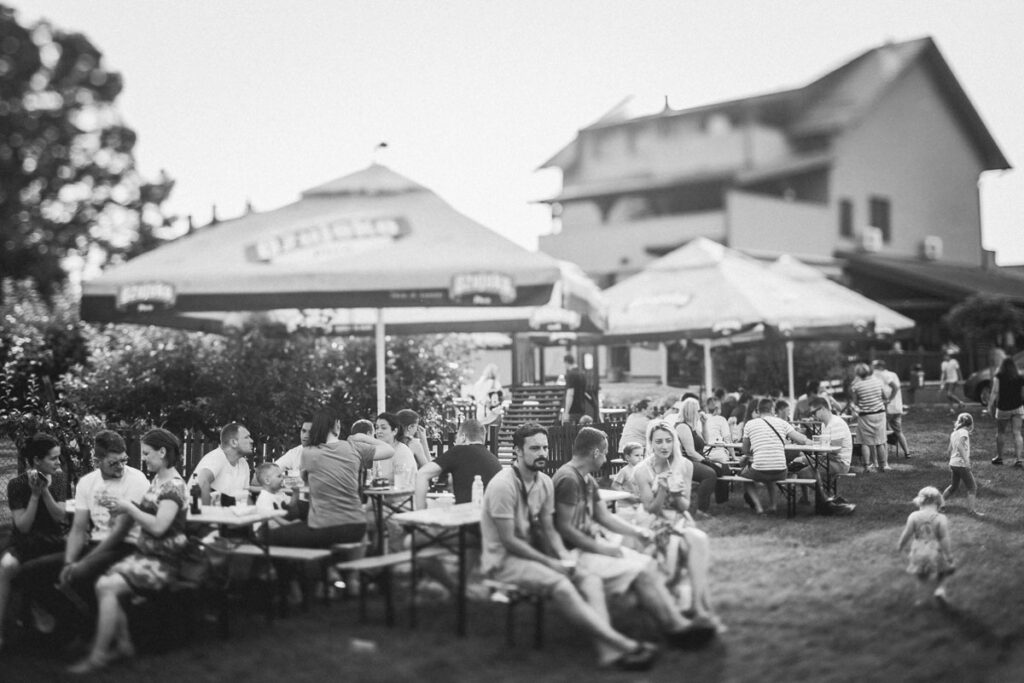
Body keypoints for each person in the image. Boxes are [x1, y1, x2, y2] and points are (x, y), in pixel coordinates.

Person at [479, 423, 659, 670]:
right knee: (561, 585)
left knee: (590, 579)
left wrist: (565, 557)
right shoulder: (503, 485)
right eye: (534, 448)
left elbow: (549, 529)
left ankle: (607, 653)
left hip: (533, 555)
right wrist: (551, 563)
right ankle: (623, 644)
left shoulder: (543, 482)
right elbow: (509, 541)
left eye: (545, 447)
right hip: (503, 561)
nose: (542, 453)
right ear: (518, 451)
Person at [552, 427, 714, 649]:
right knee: (644, 569)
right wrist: (604, 549)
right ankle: (677, 629)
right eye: (605, 453)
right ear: (596, 453)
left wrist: (638, 532)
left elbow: (604, 516)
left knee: (648, 564)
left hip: (593, 546)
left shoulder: (586, 478)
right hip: (577, 554)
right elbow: (566, 529)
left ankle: (677, 625)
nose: (606, 458)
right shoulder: (568, 479)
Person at [68, 428, 189, 673]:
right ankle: (123, 645)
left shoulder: (173, 487)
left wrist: (129, 508)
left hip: (163, 561)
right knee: (103, 585)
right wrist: (123, 508)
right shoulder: (159, 481)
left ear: (162, 452)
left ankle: (99, 656)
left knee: (107, 586)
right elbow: (147, 515)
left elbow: (159, 527)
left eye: (146, 453)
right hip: (147, 555)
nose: (143, 459)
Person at [26, 431, 151, 637]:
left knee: (80, 574)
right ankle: (77, 624)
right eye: (113, 463)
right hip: (96, 545)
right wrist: (69, 562)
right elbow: (78, 528)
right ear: (97, 461)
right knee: (33, 571)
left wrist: (81, 563)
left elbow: (120, 532)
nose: (121, 466)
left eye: (124, 460)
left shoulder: (137, 479)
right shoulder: (87, 482)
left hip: (127, 546)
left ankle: (89, 631)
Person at [632, 421, 721, 631]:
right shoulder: (641, 470)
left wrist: (675, 494)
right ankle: (695, 606)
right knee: (679, 545)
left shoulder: (685, 465)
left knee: (698, 539)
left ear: (674, 442)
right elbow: (651, 508)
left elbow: (684, 505)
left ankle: (698, 606)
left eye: (668, 440)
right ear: (651, 443)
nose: (664, 446)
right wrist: (663, 489)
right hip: (652, 521)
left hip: (678, 518)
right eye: (659, 442)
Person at [268, 409, 393, 548]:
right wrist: (363, 437)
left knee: (268, 535)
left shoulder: (309, 453)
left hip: (325, 527)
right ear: (337, 426)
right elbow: (389, 450)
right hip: (357, 526)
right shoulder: (354, 447)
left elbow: (304, 484)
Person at [0, 434, 67, 651]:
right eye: (53, 458)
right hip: (26, 540)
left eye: (58, 457)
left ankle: (47, 616)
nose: (58, 462)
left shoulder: (58, 479)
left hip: (53, 539)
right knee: (6, 567)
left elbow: (59, 516)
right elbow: (23, 526)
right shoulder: (17, 485)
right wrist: (34, 496)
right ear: (37, 460)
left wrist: (44, 491)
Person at [740, 397, 810, 515]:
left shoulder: (749, 424)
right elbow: (802, 440)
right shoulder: (782, 423)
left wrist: (756, 449)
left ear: (758, 410)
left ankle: (759, 508)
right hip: (780, 471)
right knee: (770, 474)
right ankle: (773, 506)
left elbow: (745, 450)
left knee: (744, 477)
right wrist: (813, 442)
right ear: (772, 409)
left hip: (759, 470)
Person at [413, 419, 501, 510]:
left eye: (456, 437)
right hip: (490, 514)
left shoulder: (459, 451)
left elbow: (422, 474)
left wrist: (421, 512)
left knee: (429, 502)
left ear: (463, 437)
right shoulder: (493, 459)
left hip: (467, 514)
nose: (455, 442)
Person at [789, 397, 853, 506]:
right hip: (829, 459)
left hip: (840, 463)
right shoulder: (824, 424)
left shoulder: (837, 423)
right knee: (797, 462)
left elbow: (835, 449)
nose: (813, 416)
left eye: (814, 412)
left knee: (803, 472)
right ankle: (807, 499)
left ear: (823, 409)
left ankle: (827, 497)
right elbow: (825, 448)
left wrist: (815, 450)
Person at [897, 487, 954, 607]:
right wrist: (948, 554)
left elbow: (907, 533)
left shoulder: (914, 516)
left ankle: (921, 598)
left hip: (918, 550)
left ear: (920, 502)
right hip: (935, 551)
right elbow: (944, 538)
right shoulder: (941, 518)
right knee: (943, 569)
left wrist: (901, 545)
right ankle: (940, 589)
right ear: (938, 502)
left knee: (921, 576)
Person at [674, 397, 728, 517]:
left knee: (725, 467)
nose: (700, 412)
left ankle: (722, 502)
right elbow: (690, 452)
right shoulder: (682, 427)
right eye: (698, 410)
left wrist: (704, 423)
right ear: (691, 411)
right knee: (709, 474)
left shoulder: (692, 426)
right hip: (685, 461)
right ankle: (701, 510)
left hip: (696, 459)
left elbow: (706, 441)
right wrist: (708, 462)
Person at [189, 422, 254, 505]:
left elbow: (245, 497)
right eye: (246, 437)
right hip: (199, 511)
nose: (252, 440)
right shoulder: (216, 457)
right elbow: (202, 481)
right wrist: (207, 510)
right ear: (234, 442)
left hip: (229, 512)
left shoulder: (243, 463)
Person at [942, 413, 984, 516]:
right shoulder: (964, 432)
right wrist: (966, 460)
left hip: (953, 463)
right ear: (971, 424)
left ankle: (940, 505)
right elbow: (960, 445)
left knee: (953, 486)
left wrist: (952, 460)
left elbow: (949, 450)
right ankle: (971, 511)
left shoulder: (954, 433)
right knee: (972, 487)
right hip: (961, 464)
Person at [850, 362, 889, 472]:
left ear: (858, 374)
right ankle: (882, 466)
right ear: (868, 371)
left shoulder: (856, 386)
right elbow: (885, 397)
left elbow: (855, 403)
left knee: (865, 442)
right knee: (880, 441)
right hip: (880, 414)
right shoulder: (878, 382)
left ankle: (867, 466)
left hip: (865, 416)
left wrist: (855, 408)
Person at [988, 356, 1024, 467]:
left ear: (1002, 365)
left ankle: (999, 458)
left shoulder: (998, 376)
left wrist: (990, 405)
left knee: (1001, 432)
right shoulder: (1020, 377)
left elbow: (995, 392)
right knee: (1017, 432)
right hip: (1018, 407)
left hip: (1003, 408)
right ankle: (1019, 459)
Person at [873, 360, 909, 458]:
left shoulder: (881, 375)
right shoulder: (893, 374)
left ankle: (883, 456)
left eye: (874, 367)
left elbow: (894, 388)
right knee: (898, 431)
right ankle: (907, 453)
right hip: (897, 408)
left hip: (888, 408)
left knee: (882, 432)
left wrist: (888, 400)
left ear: (879, 367)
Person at [252, 463, 303, 533]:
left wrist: (296, 492)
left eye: (282, 476)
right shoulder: (264, 497)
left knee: (298, 522)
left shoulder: (279, 493)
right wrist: (289, 524)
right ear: (267, 481)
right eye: (279, 476)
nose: (282, 478)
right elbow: (273, 516)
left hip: (276, 528)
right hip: (264, 531)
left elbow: (291, 505)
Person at [373, 412, 419, 488]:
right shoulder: (377, 450)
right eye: (377, 428)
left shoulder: (402, 451)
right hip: (380, 492)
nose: (378, 431)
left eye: (383, 428)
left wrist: (376, 480)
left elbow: (401, 476)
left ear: (395, 431)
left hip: (402, 492)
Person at [701, 397, 731, 463]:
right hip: (718, 455)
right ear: (717, 409)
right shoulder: (721, 419)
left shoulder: (700, 419)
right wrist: (734, 457)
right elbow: (727, 439)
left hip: (703, 454)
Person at [562, 353, 589, 424]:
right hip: (582, 409)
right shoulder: (582, 374)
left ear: (567, 362)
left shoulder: (571, 375)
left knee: (571, 430)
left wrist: (566, 412)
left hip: (573, 411)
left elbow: (570, 394)